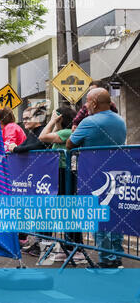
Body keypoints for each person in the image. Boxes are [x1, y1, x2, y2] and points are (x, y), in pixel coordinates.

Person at [67, 88, 126, 269]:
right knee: (115, 216)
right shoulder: (120, 120)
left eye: (87, 101)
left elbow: (70, 144)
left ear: (93, 103)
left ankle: (105, 260)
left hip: (94, 176)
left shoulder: (89, 121)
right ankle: (117, 256)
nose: (85, 105)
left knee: (99, 217)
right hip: (118, 173)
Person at [37, 105, 85, 261]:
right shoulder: (62, 132)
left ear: (61, 118)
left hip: (68, 173)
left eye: (56, 116)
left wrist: (51, 121)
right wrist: (55, 121)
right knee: (65, 209)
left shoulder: (67, 132)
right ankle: (68, 246)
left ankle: (76, 248)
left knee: (70, 209)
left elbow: (42, 137)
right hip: (61, 173)